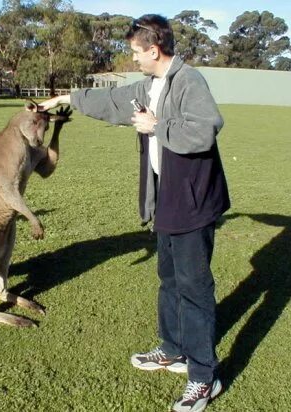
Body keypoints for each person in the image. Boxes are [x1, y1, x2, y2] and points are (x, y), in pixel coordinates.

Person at [39, 14, 230, 412]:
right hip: (167, 197)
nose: (133, 60)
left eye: (135, 53)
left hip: (193, 198)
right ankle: (173, 349)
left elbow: (205, 130)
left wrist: (156, 125)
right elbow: (109, 100)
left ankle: (203, 377)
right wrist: (63, 100)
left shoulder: (189, 81)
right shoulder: (150, 84)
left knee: (194, 288)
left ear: (154, 50)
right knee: (168, 278)